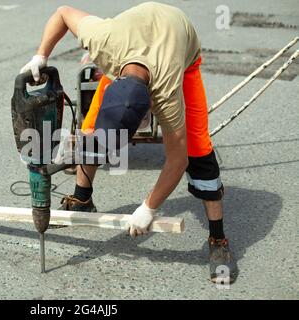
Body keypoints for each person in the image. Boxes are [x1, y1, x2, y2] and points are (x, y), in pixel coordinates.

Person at [20, 2, 237, 283]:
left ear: (149, 109)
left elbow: (177, 160)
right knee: (90, 127)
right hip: (129, 45)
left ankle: (218, 240)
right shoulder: (103, 41)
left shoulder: (167, 91)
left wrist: (149, 207)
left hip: (181, 50)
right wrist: (41, 56)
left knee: (197, 147)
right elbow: (63, 12)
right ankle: (82, 199)